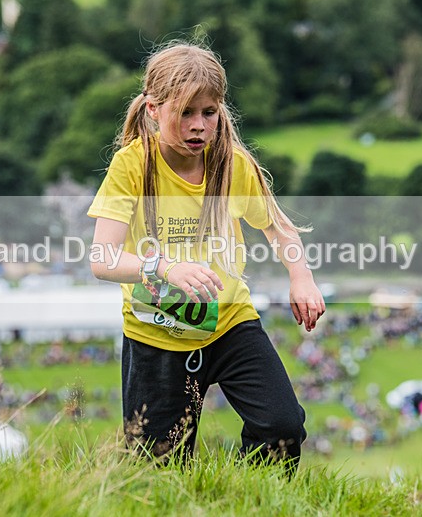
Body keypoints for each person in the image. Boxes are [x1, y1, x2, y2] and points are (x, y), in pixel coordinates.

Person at [87, 41, 325, 471]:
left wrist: (301, 276)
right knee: (160, 471)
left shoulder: (233, 164)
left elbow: (276, 225)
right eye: (186, 112)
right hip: (156, 337)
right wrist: (164, 267)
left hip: (230, 322)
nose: (199, 126)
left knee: (282, 428)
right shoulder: (131, 166)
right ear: (154, 109)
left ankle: (251, 498)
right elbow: (102, 259)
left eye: (209, 112)